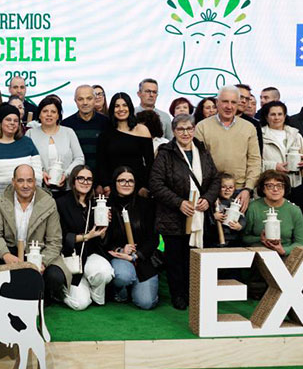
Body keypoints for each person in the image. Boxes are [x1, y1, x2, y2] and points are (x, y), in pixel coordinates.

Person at [150, 114, 220, 309]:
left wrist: (208, 199)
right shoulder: (165, 152)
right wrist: (179, 202)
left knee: (194, 257)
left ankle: (194, 294)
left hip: (199, 214)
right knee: (175, 258)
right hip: (173, 216)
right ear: (174, 131)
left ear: (194, 129)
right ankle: (179, 296)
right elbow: (156, 184)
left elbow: (215, 179)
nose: (186, 133)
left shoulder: (203, 151)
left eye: (189, 128)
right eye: (181, 129)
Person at [0, 164, 71, 304]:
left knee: (55, 276)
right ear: (13, 182)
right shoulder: (1, 201)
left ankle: (42, 300)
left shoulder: (48, 203)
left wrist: (42, 262)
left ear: (35, 182)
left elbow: (55, 241)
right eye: (20, 181)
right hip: (12, 250)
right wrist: (5, 255)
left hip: (39, 251)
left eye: (29, 180)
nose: (25, 185)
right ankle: (6, 299)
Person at [55, 165, 114, 310]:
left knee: (104, 272)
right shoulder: (61, 203)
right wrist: (86, 236)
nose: (85, 182)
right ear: (73, 180)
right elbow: (59, 237)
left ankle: (94, 294)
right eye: (81, 178)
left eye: (89, 179)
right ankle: (60, 292)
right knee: (80, 304)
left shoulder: (96, 203)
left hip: (90, 253)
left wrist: (104, 229)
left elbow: (103, 240)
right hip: (71, 257)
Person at [102, 166, 161, 309]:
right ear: (114, 183)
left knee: (146, 302)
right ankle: (120, 290)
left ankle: (136, 287)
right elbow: (103, 240)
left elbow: (154, 238)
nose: (126, 184)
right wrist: (120, 250)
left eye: (130, 181)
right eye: (121, 180)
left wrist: (136, 256)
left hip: (142, 257)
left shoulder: (146, 206)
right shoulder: (106, 206)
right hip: (119, 257)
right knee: (123, 276)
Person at [195, 86, 259, 213]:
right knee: (213, 232)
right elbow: (198, 162)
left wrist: (248, 189)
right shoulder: (202, 127)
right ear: (217, 103)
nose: (229, 106)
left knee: (239, 229)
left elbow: (254, 161)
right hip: (211, 191)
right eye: (225, 101)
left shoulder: (249, 127)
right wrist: (209, 194)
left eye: (233, 102)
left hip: (240, 191)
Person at [0, 104, 43, 207]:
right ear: (0, 122)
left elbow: (37, 174)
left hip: (28, 204)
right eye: (8, 119)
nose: (12, 123)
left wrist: (31, 200)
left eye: (16, 120)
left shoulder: (27, 143)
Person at [97, 92, 153, 197]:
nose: (121, 109)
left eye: (124, 105)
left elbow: (150, 163)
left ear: (130, 107)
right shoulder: (105, 134)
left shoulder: (142, 130)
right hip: (113, 189)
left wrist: (145, 187)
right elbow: (102, 164)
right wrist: (106, 186)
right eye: (117, 106)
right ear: (112, 109)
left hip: (138, 189)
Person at [25, 95, 84, 193]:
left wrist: (66, 174)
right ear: (39, 114)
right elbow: (26, 160)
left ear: (58, 115)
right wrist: (40, 173)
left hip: (67, 189)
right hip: (39, 190)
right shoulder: (30, 133)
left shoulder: (68, 132)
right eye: (45, 111)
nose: (49, 115)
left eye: (53, 112)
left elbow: (79, 158)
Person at [241, 170, 303, 257]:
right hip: (258, 254)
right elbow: (244, 238)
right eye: (270, 186)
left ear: (285, 187)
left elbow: (301, 243)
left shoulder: (294, 210)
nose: (275, 189)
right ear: (263, 189)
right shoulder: (253, 207)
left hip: (285, 256)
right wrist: (261, 239)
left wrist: (283, 250)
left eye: (279, 185)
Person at [259, 101, 303, 188]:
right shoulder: (259, 135)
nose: (276, 118)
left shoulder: (295, 135)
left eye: (280, 114)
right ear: (266, 117)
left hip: (294, 185)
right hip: (270, 185)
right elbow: (253, 162)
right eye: (273, 114)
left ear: (285, 116)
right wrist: (274, 166)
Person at [61, 84, 109, 171]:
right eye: (80, 99)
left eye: (89, 98)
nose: (85, 103)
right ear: (75, 101)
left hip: (100, 179)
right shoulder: (66, 125)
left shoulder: (106, 123)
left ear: (95, 100)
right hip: (74, 178)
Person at [211, 173, 245, 246]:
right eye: (223, 187)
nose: (227, 190)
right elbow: (206, 218)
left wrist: (239, 226)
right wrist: (214, 216)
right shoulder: (213, 202)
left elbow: (242, 218)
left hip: (233, 238)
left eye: (231, 187)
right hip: (215, 238)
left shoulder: (236, 203)